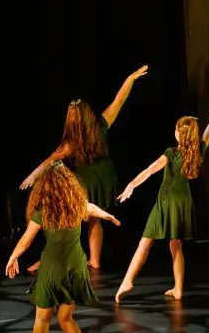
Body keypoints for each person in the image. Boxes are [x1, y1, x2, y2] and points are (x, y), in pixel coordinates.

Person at [20, 65, 147, 270]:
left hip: (89, 181)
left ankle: (56, 258)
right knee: (93, 219)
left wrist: (33, 176)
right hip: (105, 178)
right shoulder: (100, 126)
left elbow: (50, 160)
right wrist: (130, 79)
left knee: (75, 219)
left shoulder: (74, 141)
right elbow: (119, 100)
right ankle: (93, 259)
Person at [6, 161, 120, 333]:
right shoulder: (76, 205)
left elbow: (26, 241)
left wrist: (13, 257)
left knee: (42, 319)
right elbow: (92, 208)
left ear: (46, 186)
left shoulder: (44, 211)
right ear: (69, 184)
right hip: (75, 267)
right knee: (66, 318)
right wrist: (107, 216)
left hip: (53, 269)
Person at [114, 103, 209, 302]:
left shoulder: (172, 153)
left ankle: (128, 280)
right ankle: (178, 288)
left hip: (166, 201)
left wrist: (131, 185)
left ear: (180, 134)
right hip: (183, 202)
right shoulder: (198, 151)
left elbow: (150, 170)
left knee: (145, 242)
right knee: (176, 246)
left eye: (177, 130)